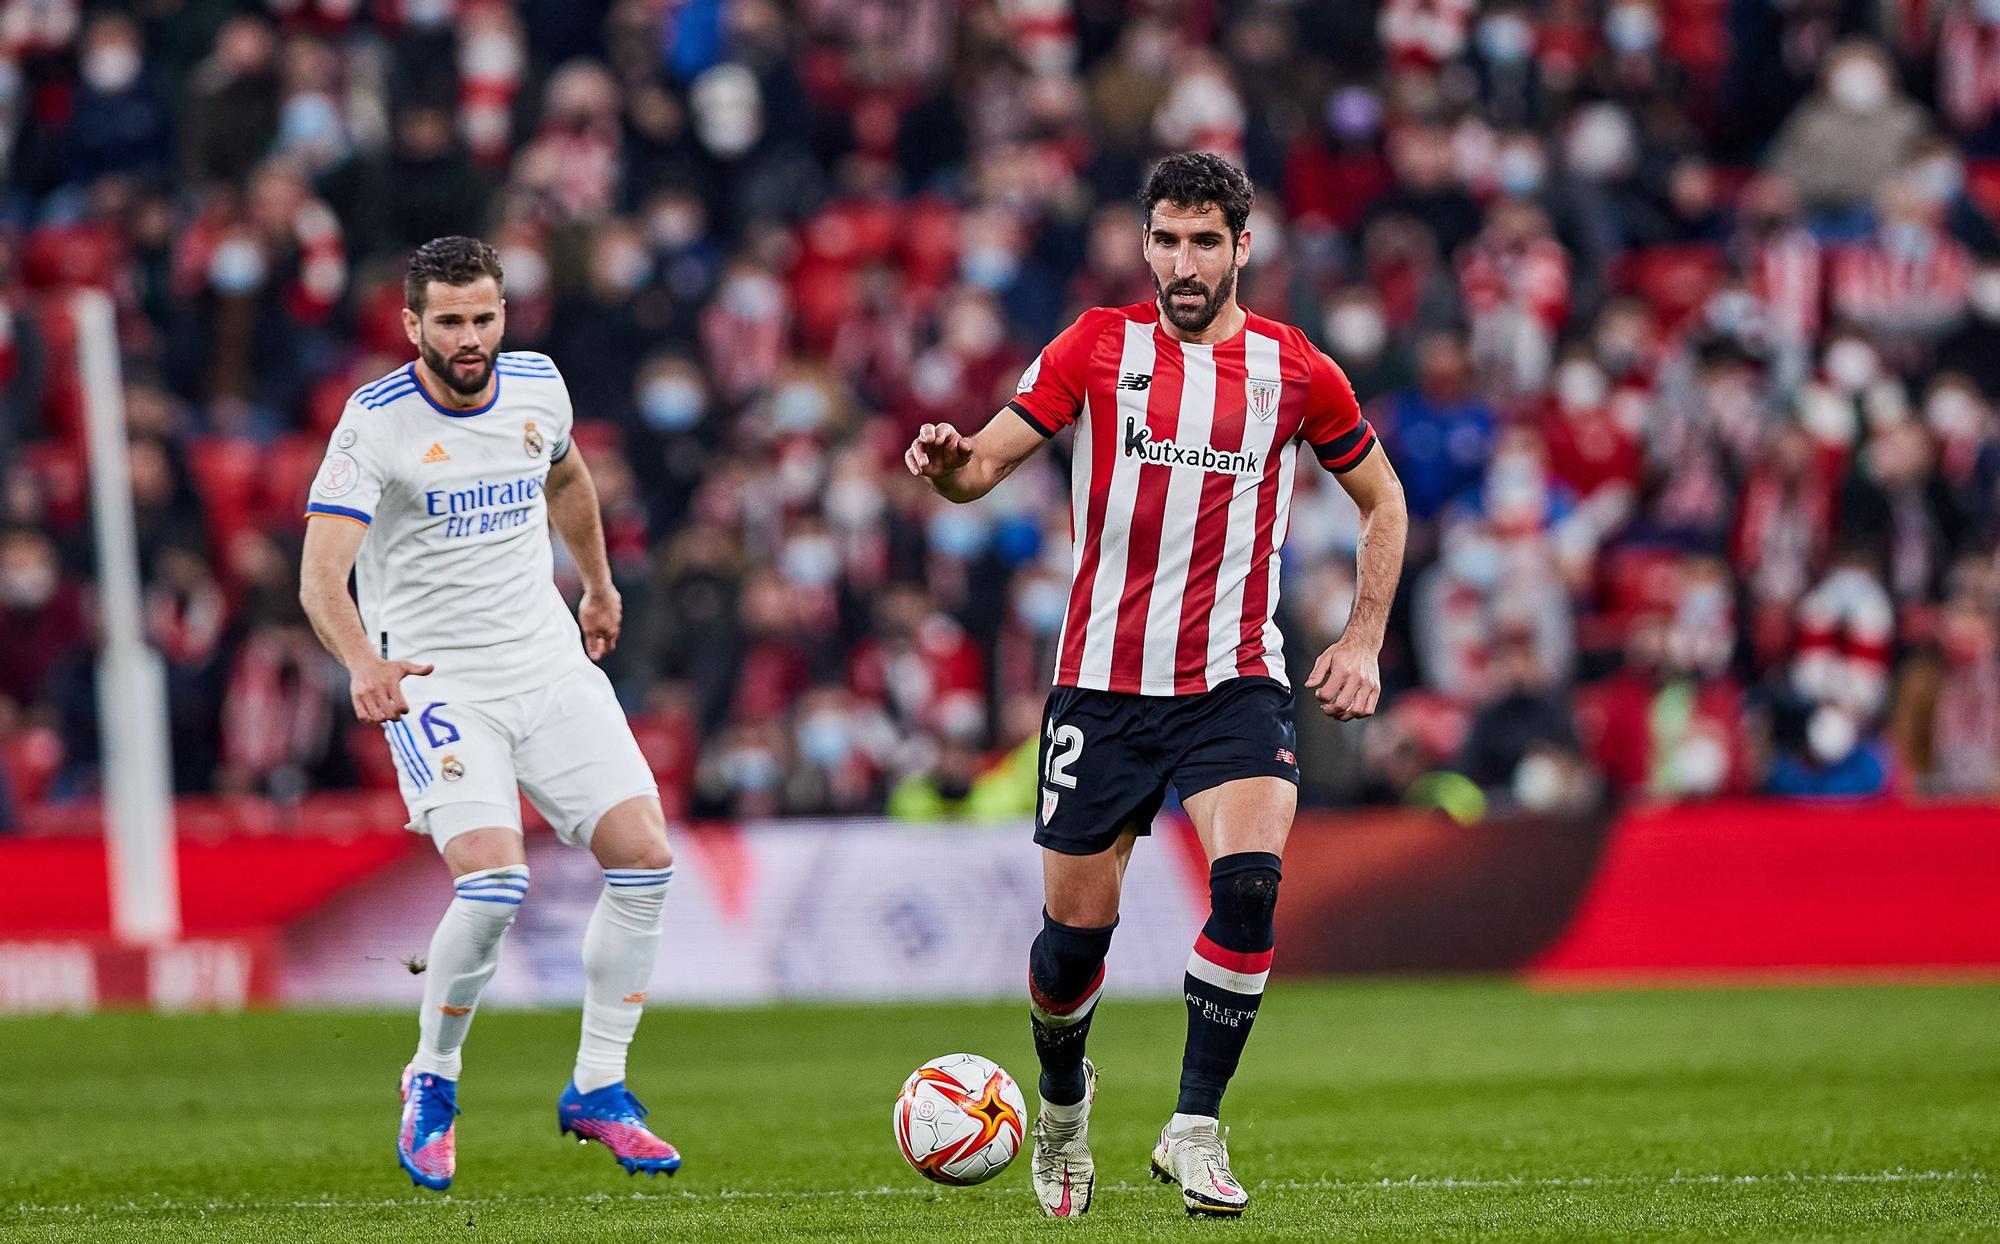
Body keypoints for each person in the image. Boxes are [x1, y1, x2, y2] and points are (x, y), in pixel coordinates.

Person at [904, 153, 1407, 1219]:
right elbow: (980, 467)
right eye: (1165, 241)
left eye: (1203, 242)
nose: (1182, 263)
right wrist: (946, 457)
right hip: (1099, 685)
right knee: (1066, 951)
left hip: (1233, 678)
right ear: (1144, 243)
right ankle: (1061, 1105)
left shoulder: (1296, 371)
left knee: (1250, 885)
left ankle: (1193, 1124)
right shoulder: (1095, 344)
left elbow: (1382, 500)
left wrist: (1362, 635)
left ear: (1242, 245)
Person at [297, 238, 680, 1191]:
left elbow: (566, 480)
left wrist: (596, 585)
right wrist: (363, 663)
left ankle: (599, 1088)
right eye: (451, 322)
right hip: (439, 685)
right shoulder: (373, 424)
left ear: (505, 313)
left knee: (646, 860)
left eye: (485, 317)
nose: (471, 339)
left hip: (548, 666)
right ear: (411, 324)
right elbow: (318, 574)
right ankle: (431, 1080)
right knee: (496, 885)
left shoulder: (538, 386)